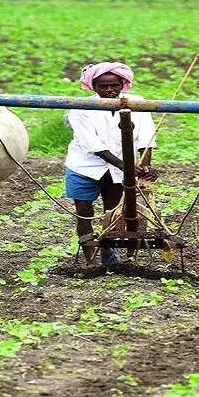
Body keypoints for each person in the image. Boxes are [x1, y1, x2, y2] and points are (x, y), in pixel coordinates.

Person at [64, 62, 157, 265]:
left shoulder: (138, 103)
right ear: (93, 87)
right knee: (84, 212)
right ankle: (90, 259)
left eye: (113, 85)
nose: (109, 90)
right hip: (84, 166)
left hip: (121, 170)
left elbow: (146, 139)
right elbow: (93, 145)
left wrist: (145, 166)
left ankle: (108, 255)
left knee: (113, 212)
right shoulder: (80, 108)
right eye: (103, 86)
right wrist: (127, 167)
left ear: (122, 84)